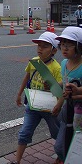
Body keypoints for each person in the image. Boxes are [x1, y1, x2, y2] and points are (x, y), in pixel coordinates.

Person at [12, 32, 63, 164]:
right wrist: (19, 93)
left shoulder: (56, 68)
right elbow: (27, 77)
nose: (40, 49)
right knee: (24, 133)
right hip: (33, 104)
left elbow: (59, 90)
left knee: (57, 134)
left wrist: (51, 86)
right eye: (39, 46)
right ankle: (16, 161)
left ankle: (61, 155)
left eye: (45, 46)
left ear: (54, 51)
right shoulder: (34, 62)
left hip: (50, 108)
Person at [54, 26, 82, 163]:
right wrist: (56, 85)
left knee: (76, 141)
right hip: (68, 108)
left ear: (79, 47)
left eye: (69, 45)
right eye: (62, 44)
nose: (64, 48)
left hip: (80, 111)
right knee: (61, 146)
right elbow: (65, 82)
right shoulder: (64, 63)